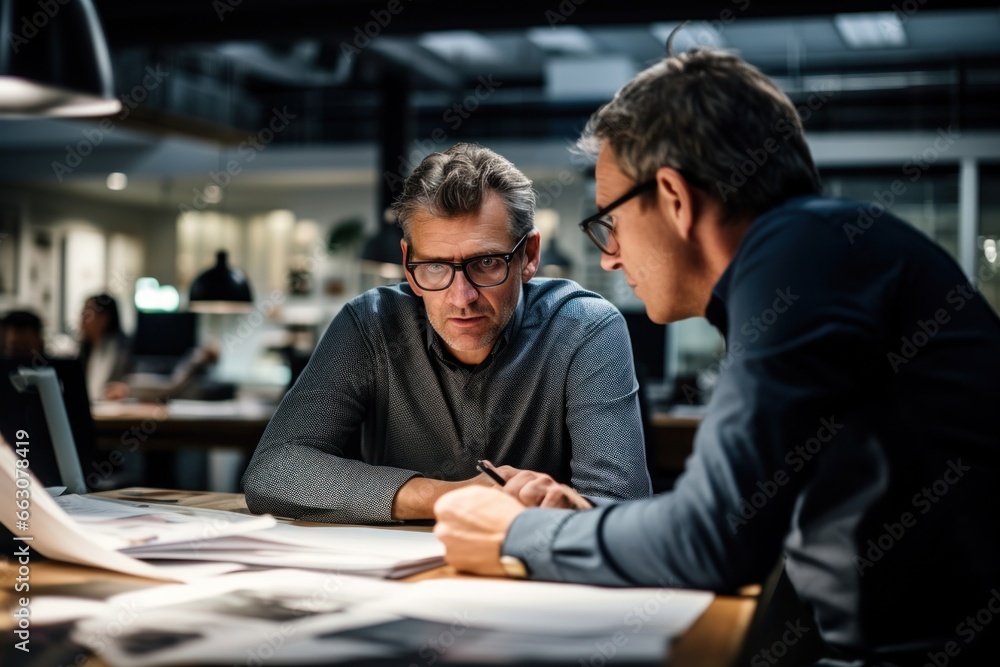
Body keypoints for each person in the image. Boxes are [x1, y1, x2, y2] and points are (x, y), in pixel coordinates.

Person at [432, 47, 1000, 666]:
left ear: (674, 196)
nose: (609, 257)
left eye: (610, 223)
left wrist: (517, 534)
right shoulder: (820, 252)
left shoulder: (800, 255)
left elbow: (718, 538)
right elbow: (737, 517)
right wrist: (591, 525)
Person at [243, 143, 651, 525]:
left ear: (528, 256)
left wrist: (560, 508)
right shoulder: (369, 324)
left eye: (486, 262)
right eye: (435, 266)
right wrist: (450, 497)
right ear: (408, 264)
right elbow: (274, 470)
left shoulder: (586, 329)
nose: (462, 297)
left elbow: (623, 508)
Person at [78, 293, 133, 401]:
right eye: (83, 312)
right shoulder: (83, 349)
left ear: (104, 318)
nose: (82, 318)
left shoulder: (123, 348)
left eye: (88, 313)